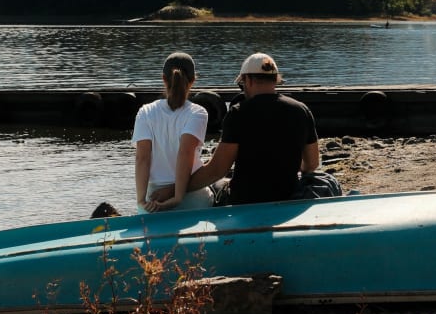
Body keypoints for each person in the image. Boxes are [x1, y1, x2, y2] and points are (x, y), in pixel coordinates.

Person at [188, 52, 320, 204]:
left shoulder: (238, 113)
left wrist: (177, 188)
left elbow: (217, 170)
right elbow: (311, 164)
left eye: (241, 86)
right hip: (288, 196)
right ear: (275, 80)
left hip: (245, 200)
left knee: (216, 185)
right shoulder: (301, 110)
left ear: (248, 80)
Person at [132, 51, 213, 212]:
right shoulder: (198, 113)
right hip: (192, 200)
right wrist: (177, 198)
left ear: (163, 78)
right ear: (193, 80)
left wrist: (141, 201)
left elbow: (142, 158)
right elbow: (185, 154)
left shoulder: (145, 112)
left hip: (152, 201)